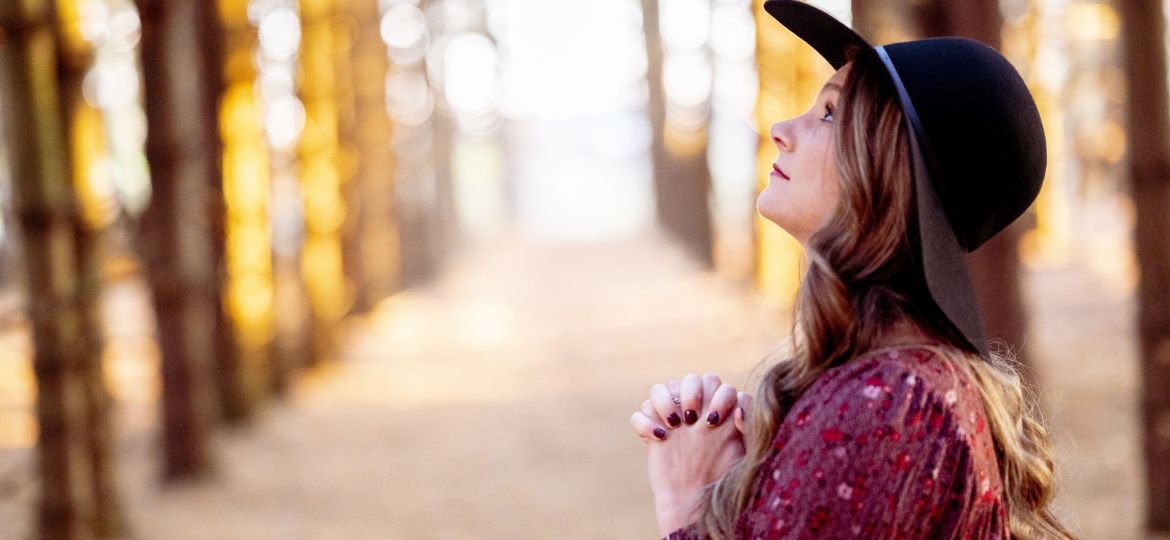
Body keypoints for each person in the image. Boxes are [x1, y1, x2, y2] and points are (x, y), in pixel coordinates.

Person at [628, 1, 1076, 538]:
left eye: (831, 113)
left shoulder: (886, 407)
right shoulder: (900, 390)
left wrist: (687, 505)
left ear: (891, 171)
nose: (780, 128)